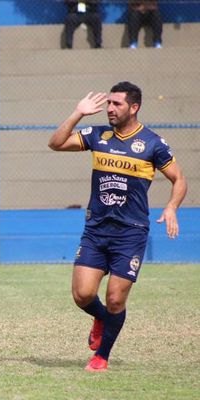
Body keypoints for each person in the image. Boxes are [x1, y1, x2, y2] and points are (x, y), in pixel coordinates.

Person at [48, 82, 187, 372]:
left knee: (114, 298)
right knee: (82, 295)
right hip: (96, 229)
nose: (110, 109)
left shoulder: (153, 143)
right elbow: (56, 143)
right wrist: (78, 113)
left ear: (134, 107)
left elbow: (179, 179)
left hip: (131, 233)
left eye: (117, 104)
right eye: (108, 103)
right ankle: (100, 317)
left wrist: (172, 206)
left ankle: (102, 356)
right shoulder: (99, 134)